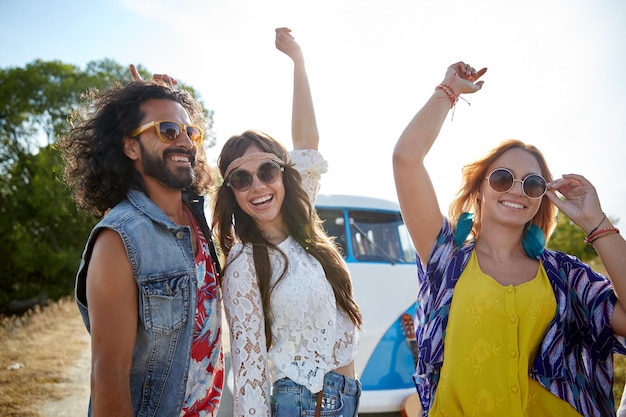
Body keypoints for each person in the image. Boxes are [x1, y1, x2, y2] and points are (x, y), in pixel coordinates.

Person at [392, 61, 626, 416]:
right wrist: (449, 90)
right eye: (503, 178)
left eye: (532, 184)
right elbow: (406, 159)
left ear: (541, 200)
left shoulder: (565, 275)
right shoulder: (445, 258)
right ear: (481, 188)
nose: (517, 190)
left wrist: (597, 222)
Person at [212, 28, 362, 417]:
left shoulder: (301, 223)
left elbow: (307, 143)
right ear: (232, 193)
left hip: (343, 400)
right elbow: (248, 371)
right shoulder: (244, 266)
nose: (257, 186)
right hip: (299, 405)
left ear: (283, 175)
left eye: (266, 171)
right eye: (241, 180)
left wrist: (298, 61)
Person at [59, 70, 224, 416]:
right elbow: (109, 375)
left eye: (190, 133)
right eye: (167, 131)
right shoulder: (119, 239)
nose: (184, 142)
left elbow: (186, 158)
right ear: (131, 146)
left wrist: (172, 97)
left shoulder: (197, 218)